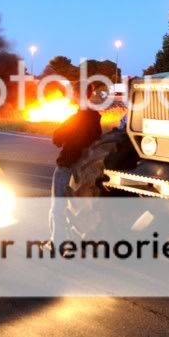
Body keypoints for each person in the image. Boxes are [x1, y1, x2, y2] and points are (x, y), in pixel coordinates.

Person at [50, 84, 102, 246]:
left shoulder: (75, 119)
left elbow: (56, 139)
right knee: (82, 206)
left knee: (58, 206)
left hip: (67, 165)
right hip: (86, 168)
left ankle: (57, 242)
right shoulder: (95, 119)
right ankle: (79, 239)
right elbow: (96, 140)